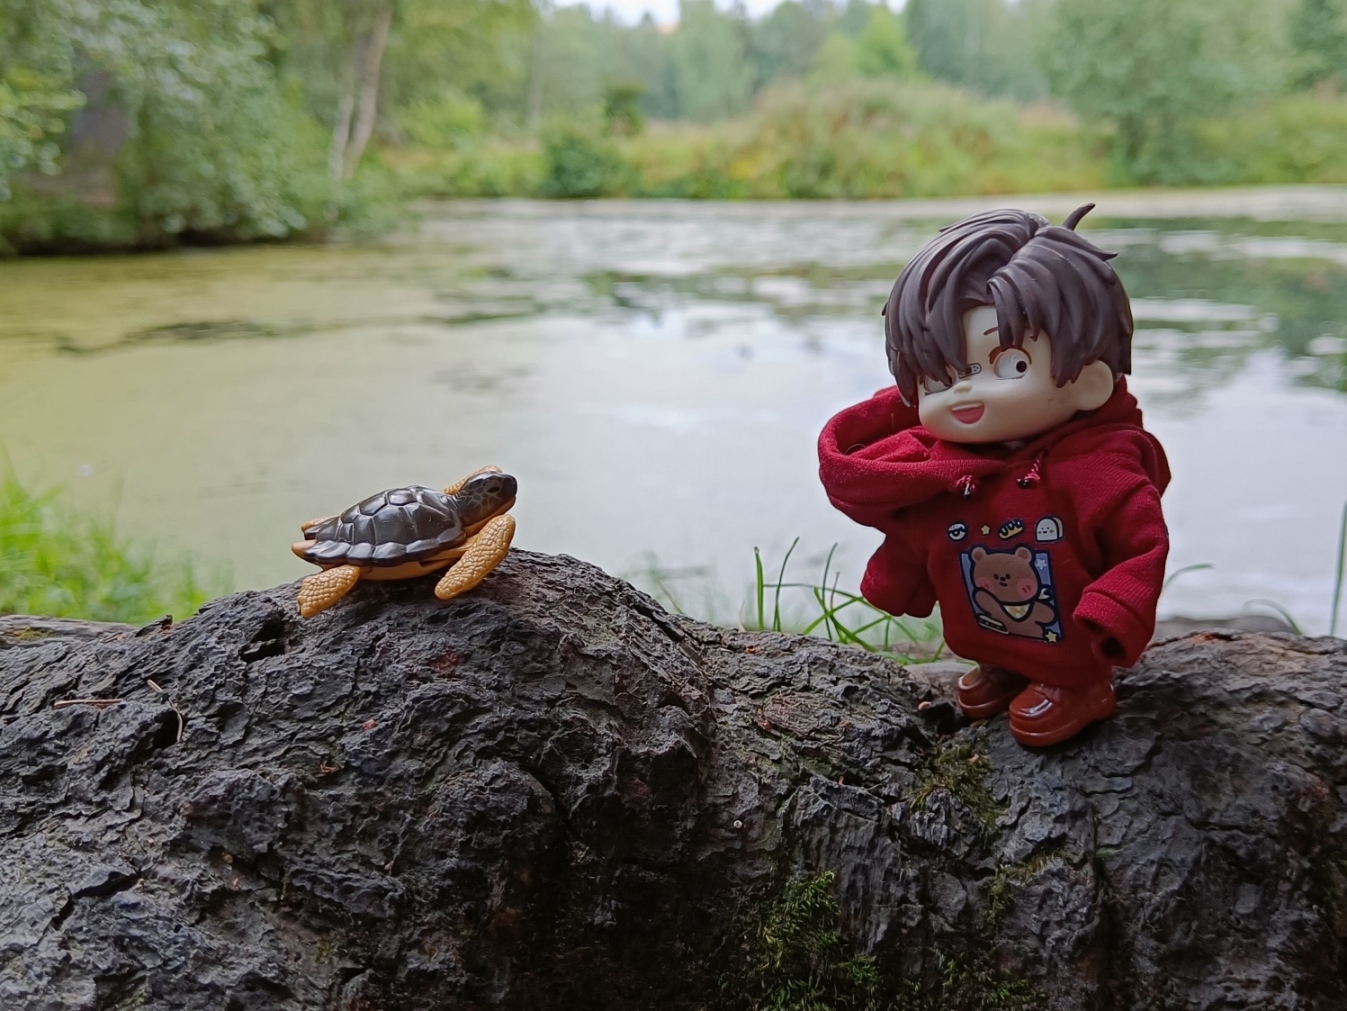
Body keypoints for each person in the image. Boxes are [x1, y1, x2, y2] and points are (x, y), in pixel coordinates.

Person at [817, 206, 1170, 747]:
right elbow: (917, 533)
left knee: (1067, 660)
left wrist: (1116, 612)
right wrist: (895, 580)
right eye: (940, 376)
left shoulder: (1100, 470)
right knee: (984, 639)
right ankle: (1003, 667)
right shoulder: (943, 468)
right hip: (981, 622)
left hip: (1069, 641)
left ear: (1090, 382)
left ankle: (1078, 687)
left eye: (1010, 366)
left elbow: (1140, 547)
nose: (964, 391)